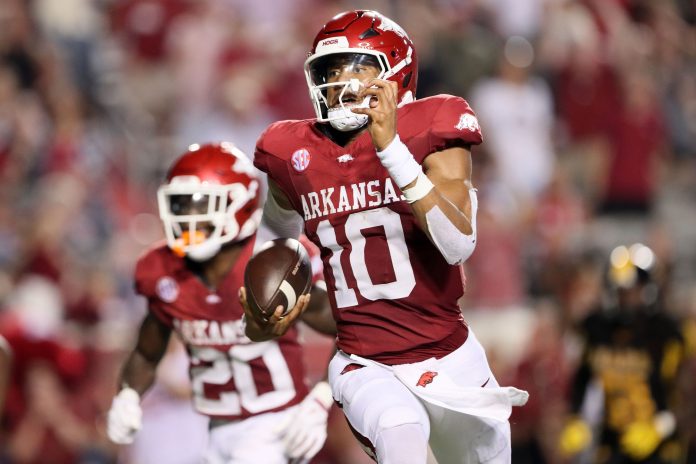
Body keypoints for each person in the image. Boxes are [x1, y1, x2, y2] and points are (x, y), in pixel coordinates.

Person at [241, 10, 528, 464]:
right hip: (366, 363)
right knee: (401, 437)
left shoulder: (433, 126)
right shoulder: (292, 152)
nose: (342, 85)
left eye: (358, 68)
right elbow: (275, 246)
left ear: (396, 74)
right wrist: (265, 310)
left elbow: (458, 244)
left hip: (448, 356)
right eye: (330, 73)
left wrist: (391, 150)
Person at [106, 142, 336, 464]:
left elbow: (351, 331)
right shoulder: (164, 272)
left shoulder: (271, 264)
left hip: (275, 426)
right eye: (181, 207)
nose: (188, 219)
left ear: (238, 205)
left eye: (200, 206)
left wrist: (322, 399)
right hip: (212, 429)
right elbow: (147, 352)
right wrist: (128, 395)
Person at [559, 243, 687, 463]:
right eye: (621, 291)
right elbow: (582, 378)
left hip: (659, 446)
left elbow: (686, 396)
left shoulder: (666, 333)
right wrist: (576, 418)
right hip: (612, 443)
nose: (626, 298)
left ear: (648, 289)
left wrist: (660, 427)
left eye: (632, 291)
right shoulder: (598, 329)